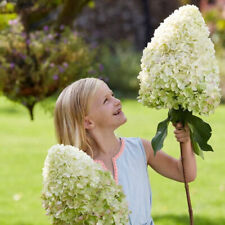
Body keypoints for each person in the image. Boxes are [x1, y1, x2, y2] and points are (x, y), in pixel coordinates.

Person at [54, 77, 197, 225]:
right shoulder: (82, 170)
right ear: (88, 122)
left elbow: (185, 173)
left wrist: (185, 142)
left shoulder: (140, 149)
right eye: (106, 100)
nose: (117, 101)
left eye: (112, 95)